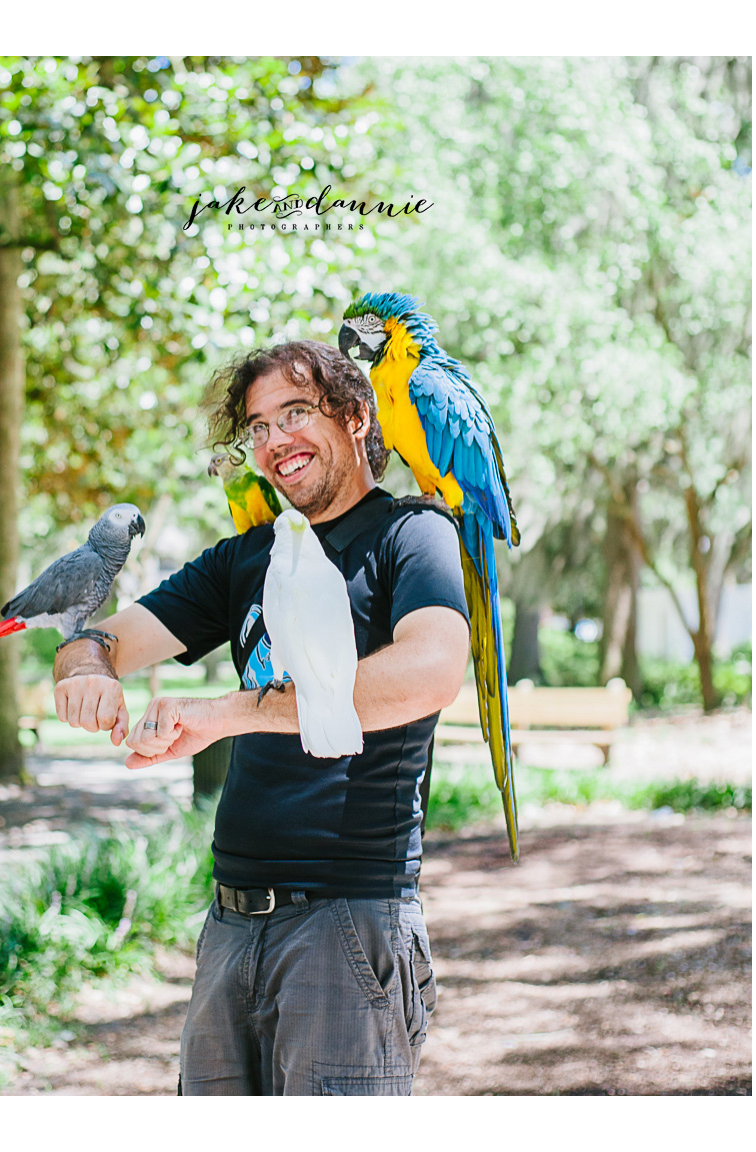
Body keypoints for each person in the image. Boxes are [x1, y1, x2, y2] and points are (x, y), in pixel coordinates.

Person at [53, 339, 471, 1096]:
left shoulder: (413, 536)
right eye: (258, 426)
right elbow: (103, 639)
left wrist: (226, 713)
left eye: (296, 413)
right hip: (228, 926)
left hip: (348, 921)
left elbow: (431, 673)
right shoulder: (245, 557)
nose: (275, 440)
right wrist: (85, 670)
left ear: (355, 416)